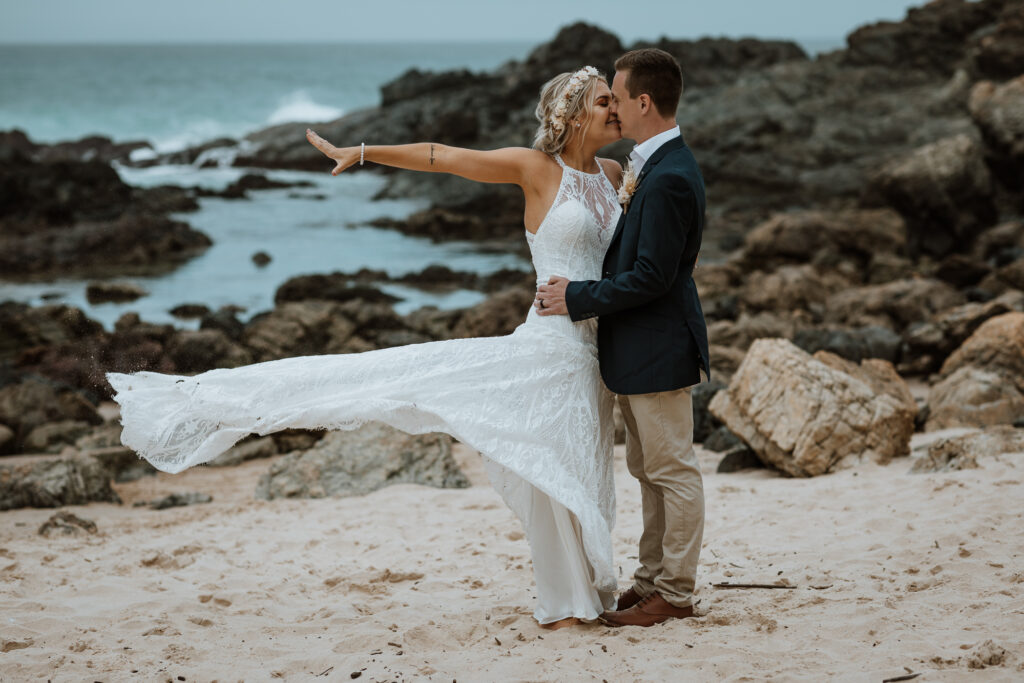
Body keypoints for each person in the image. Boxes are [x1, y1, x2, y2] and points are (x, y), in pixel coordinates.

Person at [107, 66, 624, 630]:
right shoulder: (535, 167)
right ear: (572, 116)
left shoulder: (615, 172)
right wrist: (363, 151)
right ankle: (566, 605)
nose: (616, 108)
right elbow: (441, 155)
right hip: (548, 342)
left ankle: (592, 596)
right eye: (604, 102)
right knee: (545, 468)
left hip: (596, 349)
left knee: (584, 465)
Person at [536, 48, 710, 628]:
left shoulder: (669, 178)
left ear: (644, 101)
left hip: (659, 347)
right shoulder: (650, 167)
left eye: (617, 94)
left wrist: (576, 297)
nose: (612, 105)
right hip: (639, 350)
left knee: (672, 472)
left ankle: (676, 593)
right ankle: (652, 580)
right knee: (648, 469)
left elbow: (651, 278)